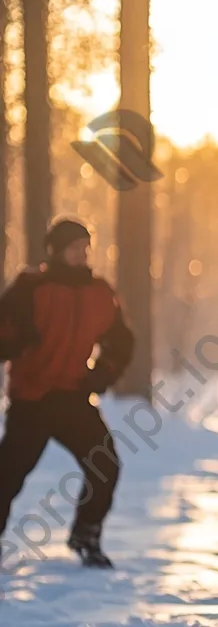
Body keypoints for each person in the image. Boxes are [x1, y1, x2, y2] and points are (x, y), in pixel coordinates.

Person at [0, 217, 134, 568]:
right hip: (33, 397)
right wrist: (17, 340)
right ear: (56, 251)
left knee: (105, 465)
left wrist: (103, 373)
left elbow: (121, 341)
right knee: (8, 475)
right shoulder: (31, 288)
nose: (83, 254)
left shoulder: (99, 292)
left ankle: (86, 536)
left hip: (74, 396)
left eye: (86, 247)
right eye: (75, 248)